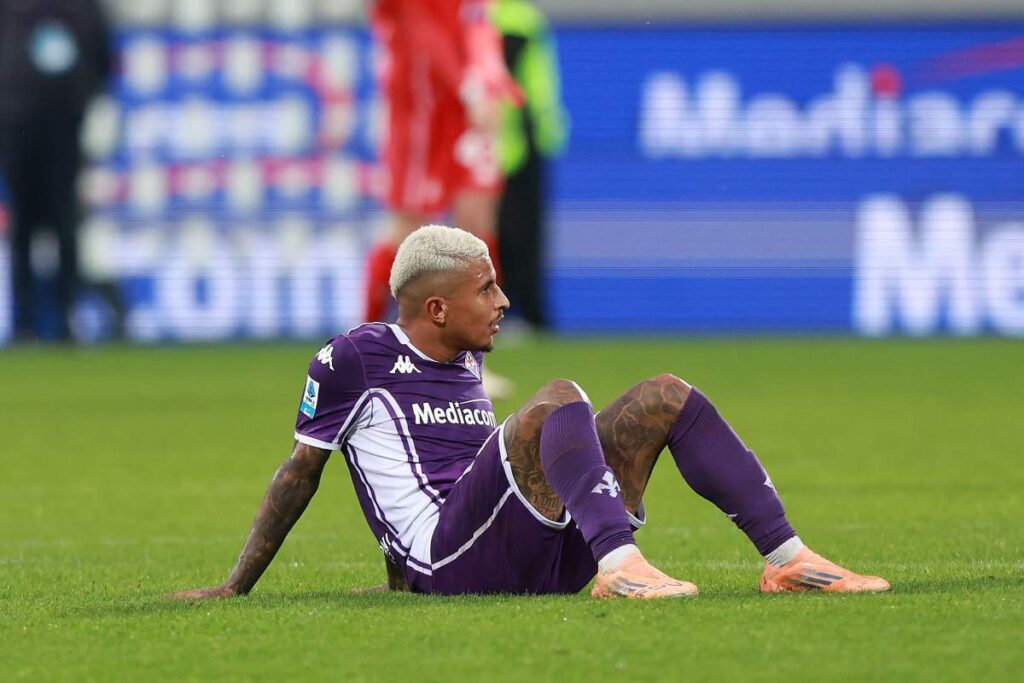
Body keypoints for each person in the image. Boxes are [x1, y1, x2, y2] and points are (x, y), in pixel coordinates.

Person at [171, 225, 890, 600]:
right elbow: (304, 472)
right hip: (452, 564)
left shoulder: (467, 358)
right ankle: (621, 565)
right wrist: (236, 585)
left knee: (664, 396)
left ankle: (788, 560)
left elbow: (418, 464)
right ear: (436, 307)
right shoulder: (351, 359)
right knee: (557, 399)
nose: (502, 303)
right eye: (486, 290)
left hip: (524, 550)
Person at [362, 0, 522, 325]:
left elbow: (479, 23)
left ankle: (471, 356)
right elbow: (422, 32)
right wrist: (469, 90)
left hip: (465, 107)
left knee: (477, 224)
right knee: (409, 227)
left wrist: (489, 82)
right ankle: (366, 342)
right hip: (421, 106)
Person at [0, 0, 112, 341]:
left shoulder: (83, 7)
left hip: (64, 125)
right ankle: (24, 322)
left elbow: (101, 57)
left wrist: (80, 100)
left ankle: (65, 317)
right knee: (23, 226)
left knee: (65, 222)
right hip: (16, 124)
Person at [494, 0, 568, 330]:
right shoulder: (516, 19)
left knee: (515, 233)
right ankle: (520, 313)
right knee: (513, 234)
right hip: (514, 140)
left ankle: (523, 314)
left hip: (517, 139)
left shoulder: (512, 18)